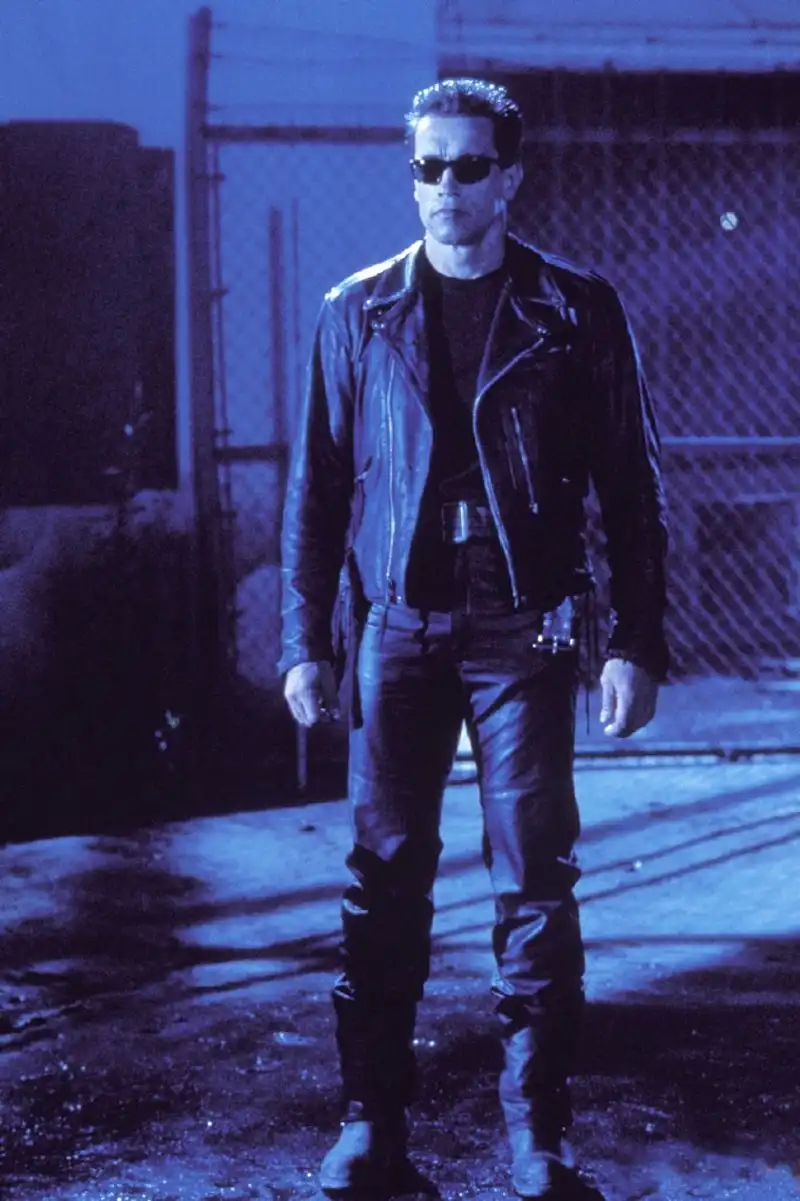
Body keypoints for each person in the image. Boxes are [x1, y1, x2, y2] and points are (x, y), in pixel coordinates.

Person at [279, 77, 669, 1200]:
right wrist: (304, 640)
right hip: (394, 625)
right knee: (381, 876)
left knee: (534, 881)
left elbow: (631, 487)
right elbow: (315, 492)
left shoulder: (574, 310)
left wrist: (635, 641)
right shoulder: (356, 312)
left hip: (525, 627)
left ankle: (537, 1141)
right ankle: (370, 1130)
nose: (444, 186)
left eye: (468, 165)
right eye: (426, 166)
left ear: (511, 177)